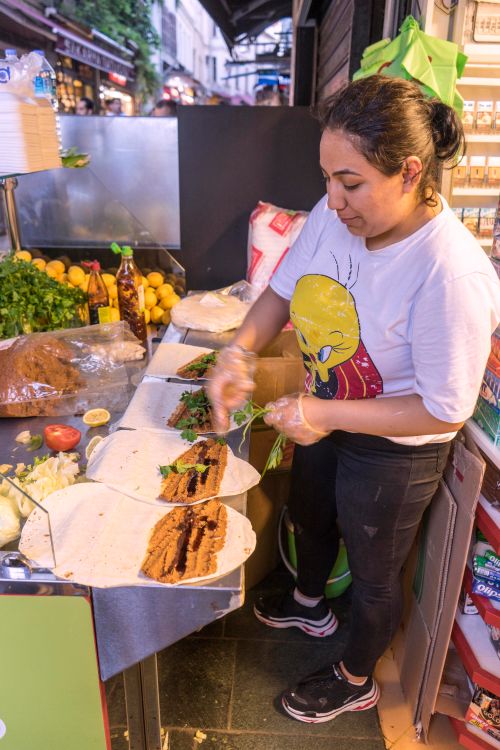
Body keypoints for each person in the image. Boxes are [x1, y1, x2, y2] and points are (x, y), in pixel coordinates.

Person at [208, 75, 500, 724]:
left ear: (410, 172)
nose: (334, 200)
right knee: (309, 515)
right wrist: (238, 350)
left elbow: (444, 407)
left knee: (373, 574)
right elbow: (282, 292)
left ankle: (355, 676)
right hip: (327, 411)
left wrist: (324, 412)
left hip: (396, 447)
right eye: (328, 178)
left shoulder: (450, 272)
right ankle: (309, 603)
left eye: (352, 182)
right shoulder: (333, 219)